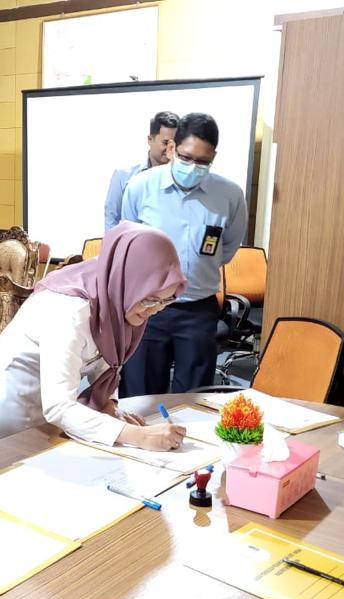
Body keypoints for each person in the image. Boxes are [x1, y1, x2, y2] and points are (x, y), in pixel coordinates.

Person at [0, 221, 188, 450]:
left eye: (166, 301)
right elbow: (59, 406)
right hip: (14, 404)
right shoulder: (70, 311)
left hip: (55, 404)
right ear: (129, 282)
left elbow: (107, 356)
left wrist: (109, 404)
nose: (155, 310)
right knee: (14, 465)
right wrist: (140, 436)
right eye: (150, 300)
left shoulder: (116, 292)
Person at [119, 112, 248, 395]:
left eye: (203, 162)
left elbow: (227, 248)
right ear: (171, 148)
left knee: (194, 398)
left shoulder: (230, 195)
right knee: (140, 395)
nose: (193, 167)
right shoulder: (141, 187)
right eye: (186, 157)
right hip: (147, 309)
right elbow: (128, 244)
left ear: (213, 156)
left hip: (198, 310)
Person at [103, 110, 178, 231]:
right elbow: (112, 220)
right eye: (165, 143)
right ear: (150, 139)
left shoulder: (183, 181)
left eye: (175, 144)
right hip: (133, 241)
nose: (170, 148)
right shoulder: (124, 176)